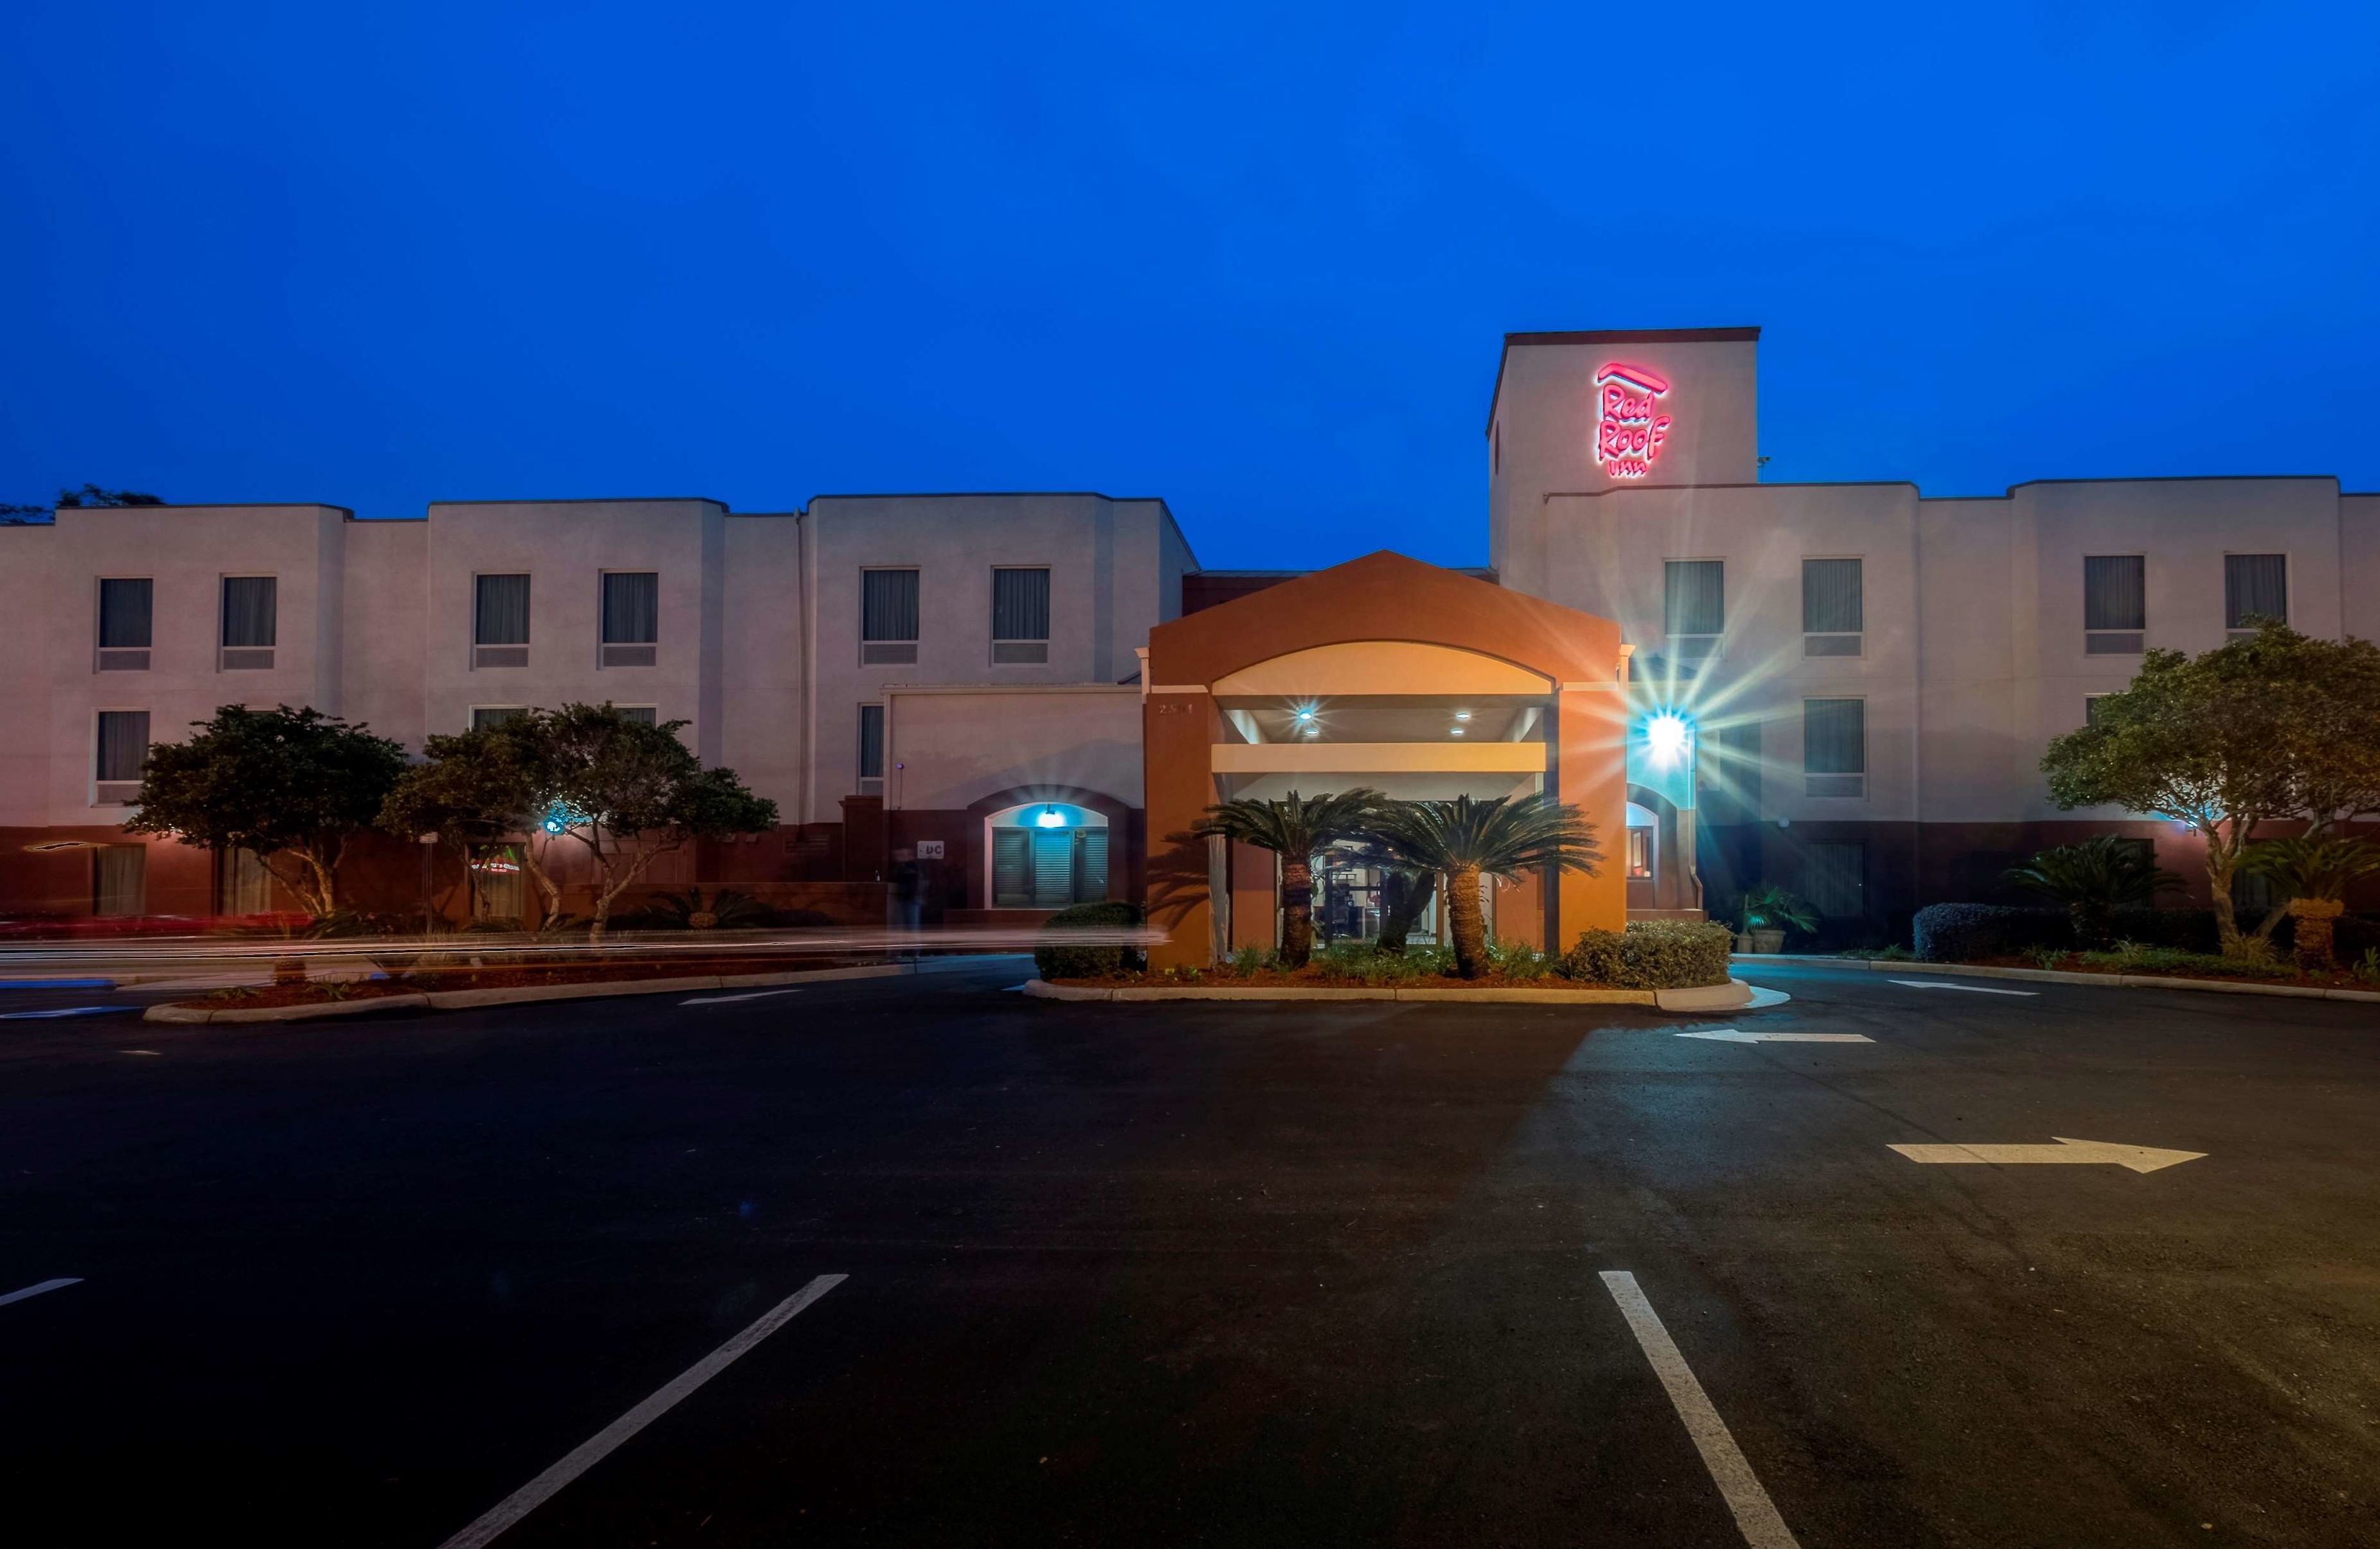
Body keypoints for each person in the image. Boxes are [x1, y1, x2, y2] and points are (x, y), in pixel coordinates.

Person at [889, 847, 922, 932]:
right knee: (905, 924)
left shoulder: (912, 866)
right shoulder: (901, 867)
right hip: (905, 898)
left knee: (912, 923)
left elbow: (908, 878)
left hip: (912, 898)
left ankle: (913, 937)